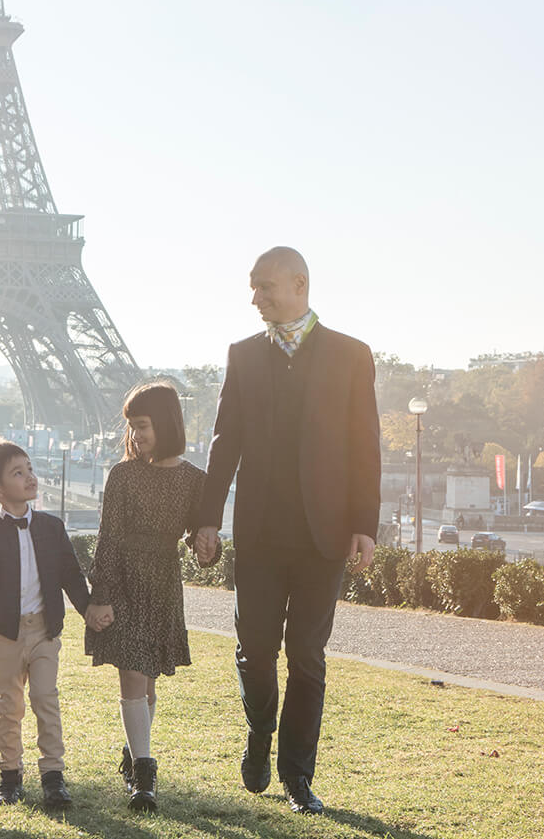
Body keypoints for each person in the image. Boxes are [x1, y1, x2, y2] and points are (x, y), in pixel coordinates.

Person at [195, 247, 381, 816]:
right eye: (253, 288)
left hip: (323, 536)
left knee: (306, 655)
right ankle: (260, 732)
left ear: (299, 284)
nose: (256, 298)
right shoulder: (243, 355)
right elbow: (225, 441)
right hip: (258, 533)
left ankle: (298, 774)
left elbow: (364, 446)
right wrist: (206, 517)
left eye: (265, 287)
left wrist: (364, 526)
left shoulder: (352, 355)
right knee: (254, 650)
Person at [85, 381, 217, 813]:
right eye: (131, 427)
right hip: (123, 582)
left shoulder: (197, 480)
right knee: (132, 677)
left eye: (142, 425)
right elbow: (108, 540)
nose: (135, 435)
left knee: (148, 678)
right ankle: (144, 774)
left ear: (165, 422)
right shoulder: (121, 475)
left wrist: (206, 548)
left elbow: (203, 542)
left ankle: (133, 753)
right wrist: (100, 596)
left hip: (162, 584)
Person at [0, 438, 97, 810]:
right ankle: (9, 776)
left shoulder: (51, 526)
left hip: (46, 631)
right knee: (9, 705)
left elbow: (71, 575)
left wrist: (89, 610)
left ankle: (53, 777)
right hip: (9, 636)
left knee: (46, 700)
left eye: (29, 468)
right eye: (18, 473)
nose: (30, 477)